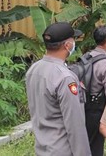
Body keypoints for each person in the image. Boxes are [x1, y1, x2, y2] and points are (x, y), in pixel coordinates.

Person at [25, 22, 91, 156]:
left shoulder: (34, 69)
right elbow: (75, 125)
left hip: (42, 148)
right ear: (67, 45)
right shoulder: (65, 78)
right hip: (62, 150)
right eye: (74, 40)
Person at [86, 26, 106, 156]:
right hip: (97, 111)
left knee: (86, 144)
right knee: (96, 147)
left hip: (83, 107)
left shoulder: (87, 57)